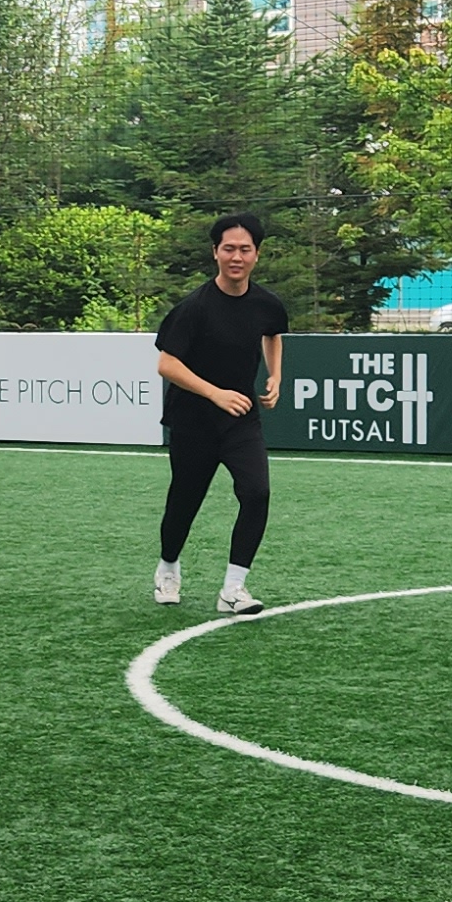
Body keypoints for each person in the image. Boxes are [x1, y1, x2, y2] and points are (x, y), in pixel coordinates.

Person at [152, 214, 288, 616]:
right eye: (229, 248)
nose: (236, 257)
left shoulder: (267, 303)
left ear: (257, 254)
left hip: (240, 420)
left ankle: (233, 589)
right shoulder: (193, 308)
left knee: (257, 493)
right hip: (193, 421)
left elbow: (272, 334)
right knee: (184, 502)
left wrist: (276, 375)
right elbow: (166, 364)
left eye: (245, 249)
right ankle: (168, 568)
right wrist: (215, 394)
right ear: (215, 252)